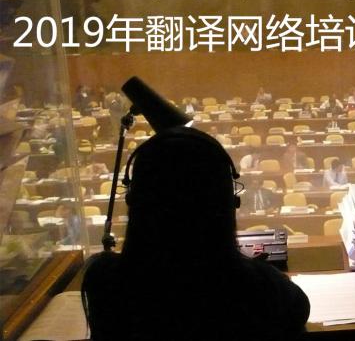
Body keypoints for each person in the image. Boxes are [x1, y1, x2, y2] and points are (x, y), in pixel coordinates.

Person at [81, 127, 309, 340]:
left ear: (135, 201)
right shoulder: (265, 291)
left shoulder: (104, 284)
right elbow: (296, 310)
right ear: (228, 203)